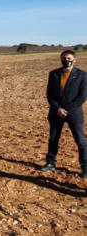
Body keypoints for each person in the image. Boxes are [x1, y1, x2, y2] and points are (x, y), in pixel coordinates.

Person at [41, 50, 87, 178]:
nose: (66, 60)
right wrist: (58, 108)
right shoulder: (54, 74)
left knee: (81, 141)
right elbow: (49, 94)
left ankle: (85, 167)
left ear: (74, 60)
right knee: (54, 139)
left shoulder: (82, 75)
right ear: (61, 60)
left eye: (69, 58)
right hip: (56, 112)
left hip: (74, 113)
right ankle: (50, 163)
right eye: (64, 58)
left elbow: (82, 96)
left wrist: (67, 109)